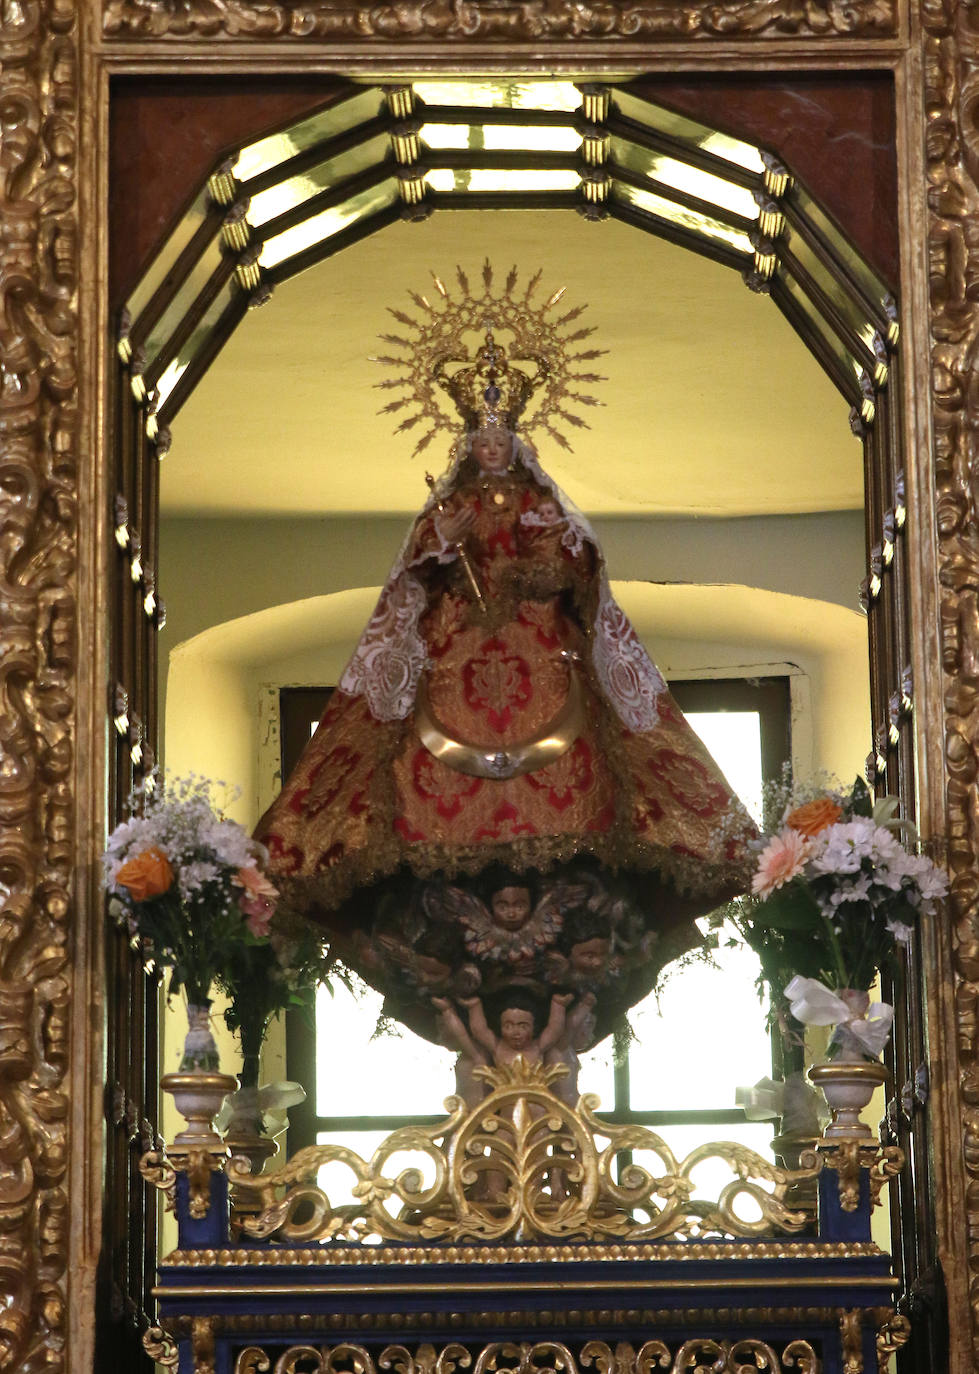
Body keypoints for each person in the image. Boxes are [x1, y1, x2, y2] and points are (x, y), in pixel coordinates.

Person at [257, 316, 752, 1047]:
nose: (490, 453)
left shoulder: (541, 507)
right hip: (458, 649)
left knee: (579, 724)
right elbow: (410, 577)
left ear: (516, 447)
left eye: (500, 443)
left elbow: (578, 568)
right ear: (468, 449)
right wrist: (442, 544)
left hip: (535, 648)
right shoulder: (446, 510)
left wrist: (548, 562)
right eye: (481, 444)